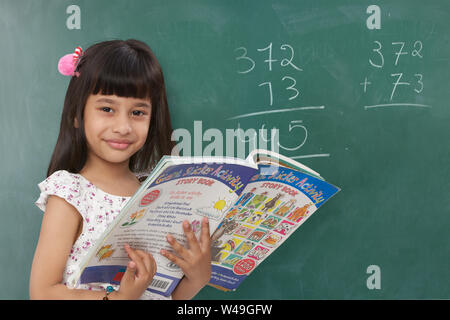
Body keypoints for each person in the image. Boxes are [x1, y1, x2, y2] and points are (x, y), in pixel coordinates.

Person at [29, 39, 211, 300]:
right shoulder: (70, 192)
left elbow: (162, 295)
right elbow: (42, 293)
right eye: (107, 109)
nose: (123, 126)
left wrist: (197, 279)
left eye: (138, 112)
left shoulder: (155, 192)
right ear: (77, 115)